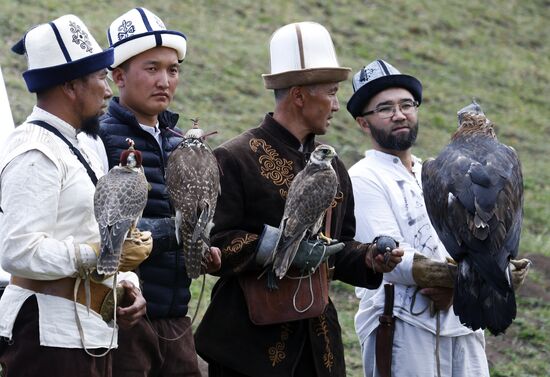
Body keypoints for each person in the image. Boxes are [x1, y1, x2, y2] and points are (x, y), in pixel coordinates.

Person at [194, 22, 403, 377]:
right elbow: (214, 245)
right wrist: (280, 247)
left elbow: (337, 248)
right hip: (247, 348)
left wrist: (370, 258)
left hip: (319, 348)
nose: (338, 105)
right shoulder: (234, 157)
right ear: (299, 95)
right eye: (332, 92)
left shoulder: (334, 165)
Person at [0, 15, 149, 377]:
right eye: (100, 77)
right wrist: (97, 256)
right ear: (70, 86)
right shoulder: (35, 151)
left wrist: (128, 285)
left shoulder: (84, 144)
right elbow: (18, 248)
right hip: (45, 338)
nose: (109, 90)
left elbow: (92, 231)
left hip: (88, 332)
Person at [347, 59, 490, 377]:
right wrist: (462, 279)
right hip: (401, 325)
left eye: (406, 104)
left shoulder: (436, 174)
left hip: (463, 323)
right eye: (384, 108)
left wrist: (462, 286)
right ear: (363, 122)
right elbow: (391, 257)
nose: (399, 114)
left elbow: (469, 246)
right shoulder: (362, 177)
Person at [98, 8, 221, 377]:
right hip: (122, 320)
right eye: (151, 69)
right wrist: (178, 233)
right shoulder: (99, 140)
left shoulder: (180, 142)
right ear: (119, 76)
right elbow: (99, 229)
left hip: (176, 319)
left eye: (173, 69)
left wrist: (200, 245)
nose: (165, 80)